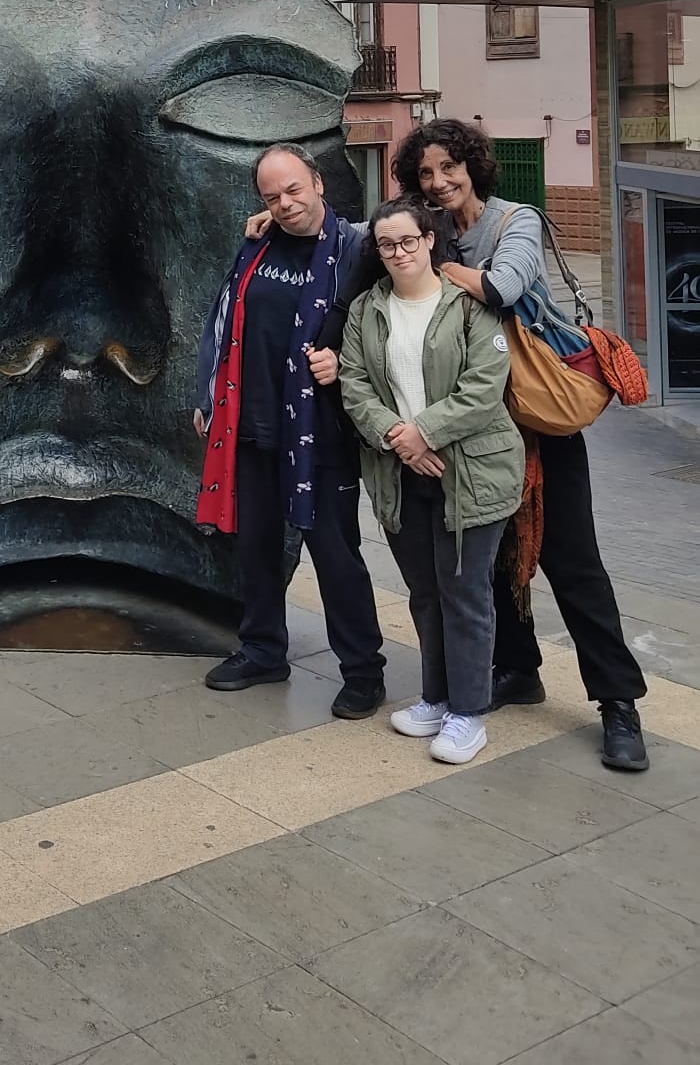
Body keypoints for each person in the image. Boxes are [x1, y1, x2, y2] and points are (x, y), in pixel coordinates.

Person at [392, 118, 649, 772]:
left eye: (448, 167)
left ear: (474, 164)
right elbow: (372, 249)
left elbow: (502, 288)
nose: (439, 181)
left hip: (539, 417)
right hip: (478, 424)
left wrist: (438, 266)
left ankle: (619, 702)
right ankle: (517, 667)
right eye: (425, 174)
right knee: (491, 556)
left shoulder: (515, 222)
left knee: (571, 560)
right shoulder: (428, 229)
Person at [195, 144, 388, 718]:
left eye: (294, 190)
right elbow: (224, 315)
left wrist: (344, 366)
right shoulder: (258, 242)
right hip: (251, 422)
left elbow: (381, 329)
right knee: (255, 548)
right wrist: (208, 391)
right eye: (272, 196)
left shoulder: (357, 248)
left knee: (336, 554)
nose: (284, 204)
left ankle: (362, 670)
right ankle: (261, 650)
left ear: (319, 184)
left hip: (320, 431)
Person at [339, 194, 524, 764]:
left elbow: (484, 387)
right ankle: (437, 697)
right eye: (386, 243)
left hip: (470, 473)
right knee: (424, 593)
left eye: (408, 241)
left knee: (465, 594)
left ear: (429, 242)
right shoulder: (366, 310)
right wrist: (400, 438)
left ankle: (469, 713)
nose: (398, 252)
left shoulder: (469, 307)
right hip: (402, 473)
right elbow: (354, 385)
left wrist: (426, 433)